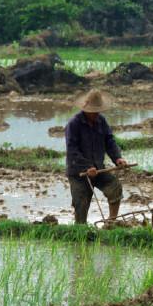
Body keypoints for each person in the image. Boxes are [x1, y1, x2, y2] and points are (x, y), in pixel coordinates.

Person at [65, 89, 129, 224]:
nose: (96, 114)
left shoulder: (101, 121)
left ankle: (111, 222)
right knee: (81, 203)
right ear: (85, 108)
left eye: (97, 111)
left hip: (98, 169)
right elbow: (72, 150)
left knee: (114, 187)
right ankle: (81, 231)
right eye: (93, 111)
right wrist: (87, 167)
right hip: (79, 173)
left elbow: (109, 141)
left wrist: (117, 158)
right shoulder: (74, 124)